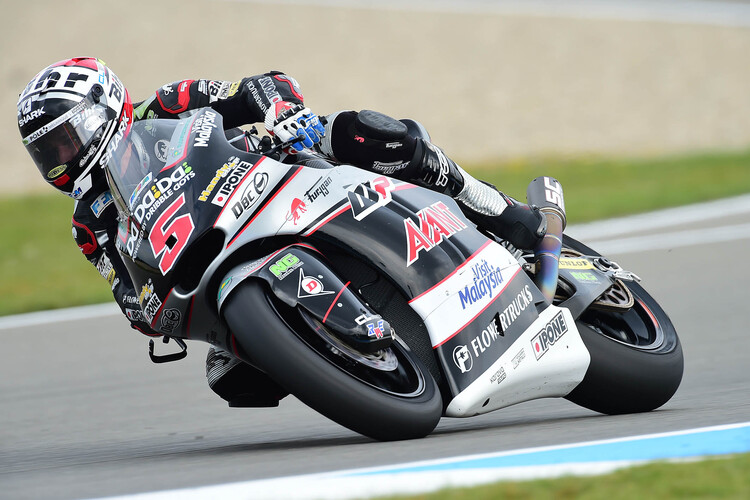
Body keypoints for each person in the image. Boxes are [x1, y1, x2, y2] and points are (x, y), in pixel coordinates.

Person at [17, 57, 546, 407]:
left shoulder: (168, 104)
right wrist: (148, 314)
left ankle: (494, 208)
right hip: (219, 258)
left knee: (361, 131)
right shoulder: (90, 220)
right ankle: (340, 359)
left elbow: (261, 85)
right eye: (48, 154)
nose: (61, 160)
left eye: (65, 140)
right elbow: (124, 287)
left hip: (286, 175)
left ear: (104, 107)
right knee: (232, 380)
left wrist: (282, 111)